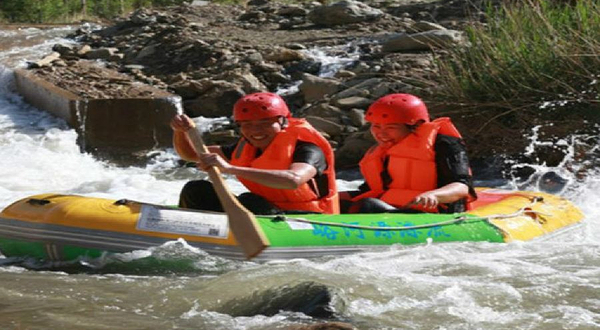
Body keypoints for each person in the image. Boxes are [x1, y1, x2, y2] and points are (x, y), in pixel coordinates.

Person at [171, 92, 339, 215]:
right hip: (267, 210)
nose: (256, 130)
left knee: (250, 201)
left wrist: (229, 169)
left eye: (265, 123)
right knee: (196, 189)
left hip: (311, 217)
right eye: (247, 124)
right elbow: (191, 155)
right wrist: (180, 132)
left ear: (283, 122)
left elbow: (293, 180)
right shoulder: (244, 148)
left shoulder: (308, 149)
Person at [340, 93, 476, 213]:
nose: (381, 133)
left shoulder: (445, 144)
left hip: (436, 213)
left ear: (415, 126)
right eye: (376, 126)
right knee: (340, 203)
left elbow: (462, 187)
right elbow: (370, 191)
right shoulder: (384, 150)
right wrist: (331, 196)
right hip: (393, 209)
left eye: (391, 127)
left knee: (367, 205)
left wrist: (434, 196)